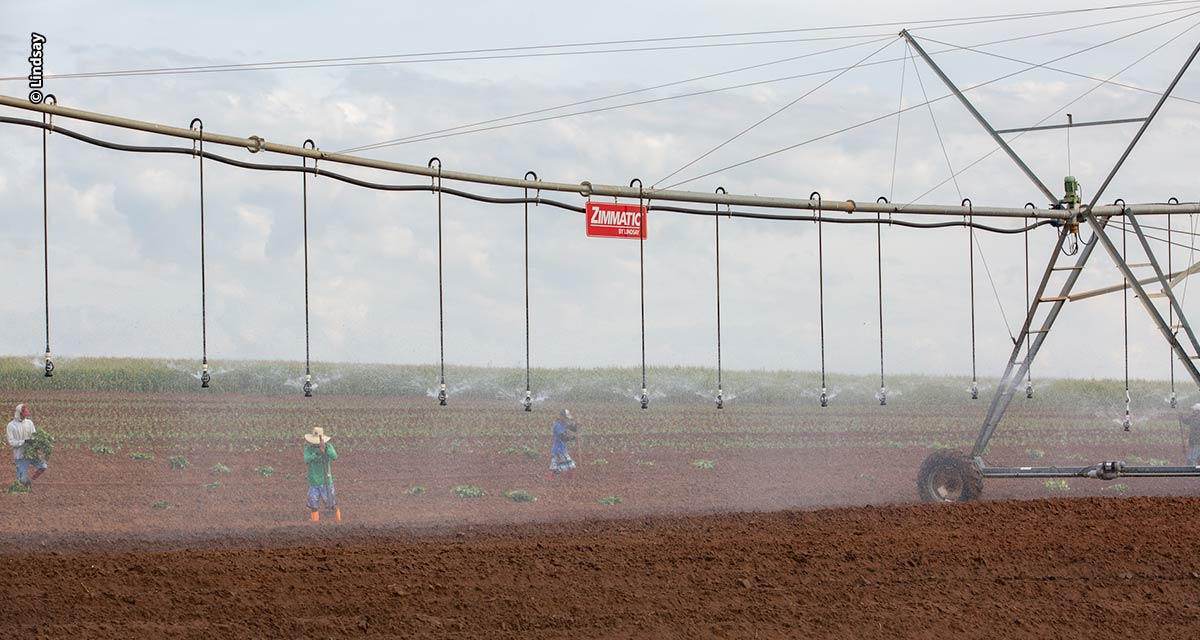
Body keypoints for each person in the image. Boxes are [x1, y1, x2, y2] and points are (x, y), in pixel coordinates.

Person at [303, 426, 340, 522]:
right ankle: (315, 521)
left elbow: (334, 457)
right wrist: (318, 452)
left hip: (326, 480)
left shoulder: (329, 447)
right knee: (313, 502)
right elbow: (307, 460)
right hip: (313, 481)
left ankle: (338, 520)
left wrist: (326, 449)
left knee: (331, 503)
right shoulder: (308, 449)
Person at [7, 404, 47, 490]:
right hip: (20, 455)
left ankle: (30, 481)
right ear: (18, 414)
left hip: (31, 453)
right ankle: (21, 488)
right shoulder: (11, 426)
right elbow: (11, 442)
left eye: (26, 414)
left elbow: (34, 435)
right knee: (20, 481)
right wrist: (23, 442)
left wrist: (36, 442)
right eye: (23, 414)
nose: (25, 416)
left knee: (43, 466)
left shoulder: (29, 423)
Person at [547, 409, 579, 480]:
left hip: (561, 450)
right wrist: (571, 438)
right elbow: (562, 437)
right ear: (561, 417)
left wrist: (576, 425)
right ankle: (570, 481)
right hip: (559, 450)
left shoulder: (565, 424)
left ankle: (549, 481)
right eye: (565, 418)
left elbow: (573, 429)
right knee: (571, 466)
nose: (567, 420)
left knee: (554, 468)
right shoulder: (557, 426)